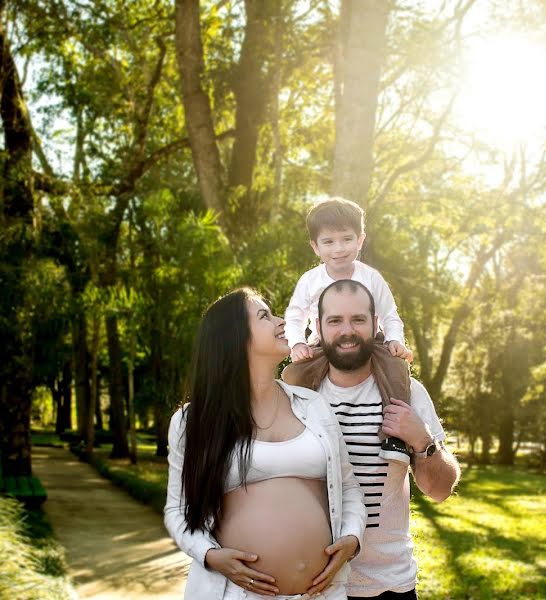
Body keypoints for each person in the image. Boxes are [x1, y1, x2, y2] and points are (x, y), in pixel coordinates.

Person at [164, 288, 367, 600]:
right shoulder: (193, 422)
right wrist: (210, 555)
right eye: (264, 316)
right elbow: (178, 510)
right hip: (234, 594)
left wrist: (352, 538)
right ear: (234, 339)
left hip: (321, 595)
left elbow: (349, 487)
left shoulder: (313, 406)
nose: (281, 321)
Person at [294, 279, 461, 600]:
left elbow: (440, 491)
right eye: (335, 320)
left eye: (358, 319)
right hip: (313, 586)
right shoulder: (296, 398)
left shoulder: (407, 393)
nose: (347, 330)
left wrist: (423, 442)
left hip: (388, 585)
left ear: (375, 323)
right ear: (318, 326)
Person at [283, 197, 413, 464]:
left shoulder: (371, 278)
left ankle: (395, 437)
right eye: (328, 242)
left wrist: (395, 340)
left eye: (346, 239)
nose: (338, 249)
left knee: (397, 368)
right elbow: (294, 315)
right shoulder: (311, 281)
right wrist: (297, 343)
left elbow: (390, 314)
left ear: (360, 240)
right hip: (323, 345)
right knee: (292, 374)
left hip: (370, 343)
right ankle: (297, 436)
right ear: (315, 247)